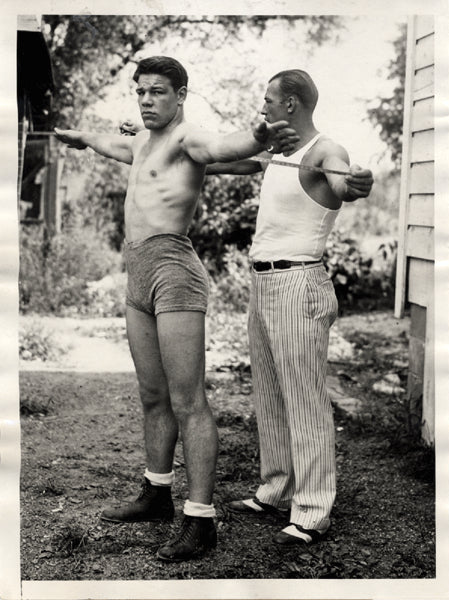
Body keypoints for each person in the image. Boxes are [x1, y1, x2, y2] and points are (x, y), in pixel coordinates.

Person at [54, 56, 299, 561]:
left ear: (181, 95)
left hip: (174, 272)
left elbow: (224, 146)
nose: (146, 100)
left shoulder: (188, 138)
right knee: (152, 393)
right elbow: (114, 144)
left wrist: (258, 136)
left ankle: (201, 520)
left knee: (189, 400)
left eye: (158, 92)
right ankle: (156, 492)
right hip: (137, 273)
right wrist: (83, 137)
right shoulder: (145, 141)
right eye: (140, 91)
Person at [205, 69, 373, 546]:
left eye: (269, 101)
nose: (263, 108)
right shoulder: (278, 154)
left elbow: (345, 183)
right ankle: (276, 490)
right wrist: (159, 143)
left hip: (300, 283)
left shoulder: (326, 151)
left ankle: (313, 512)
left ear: (292, 105)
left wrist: (359, 182)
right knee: (271, 394)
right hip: (264, 283)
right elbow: (219, 163)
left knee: (304, 399)